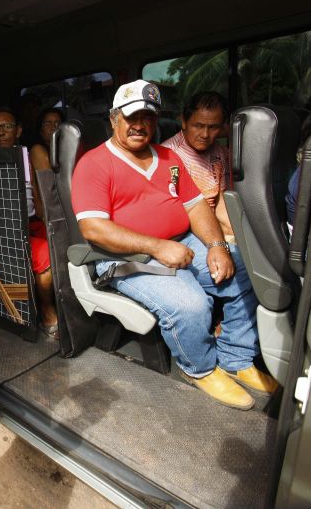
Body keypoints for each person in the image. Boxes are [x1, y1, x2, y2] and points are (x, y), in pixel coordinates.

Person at [72, 79, 278, 410]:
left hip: (182, 242)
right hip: (125, 256)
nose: (140, 125)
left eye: (149, 117)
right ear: (113, 119)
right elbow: (94, 229)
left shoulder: (168, 157)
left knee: (245, 272)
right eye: (131, 117)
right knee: (191, 304)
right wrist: (157, 247)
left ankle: (236, 358)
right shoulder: (94, 164)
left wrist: (216, 246)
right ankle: (199, 368)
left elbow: (196, 206)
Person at [0, 107, 60, 335]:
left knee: (65, 242)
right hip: (6, 229)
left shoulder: (30, 155)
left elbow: (43, 194)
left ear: (18, 130)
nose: (1, 132)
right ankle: (46, 309)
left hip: (32, 220)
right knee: (44, 256)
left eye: (7, 126)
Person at [161, 91, 234, 242]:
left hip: (212, 227)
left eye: (213, 127)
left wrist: (235, 234)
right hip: (186, 234)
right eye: (198, 126)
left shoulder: (219, 152)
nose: (205, 134)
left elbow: (220, 203)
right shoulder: (167, 156)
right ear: (184, 122)